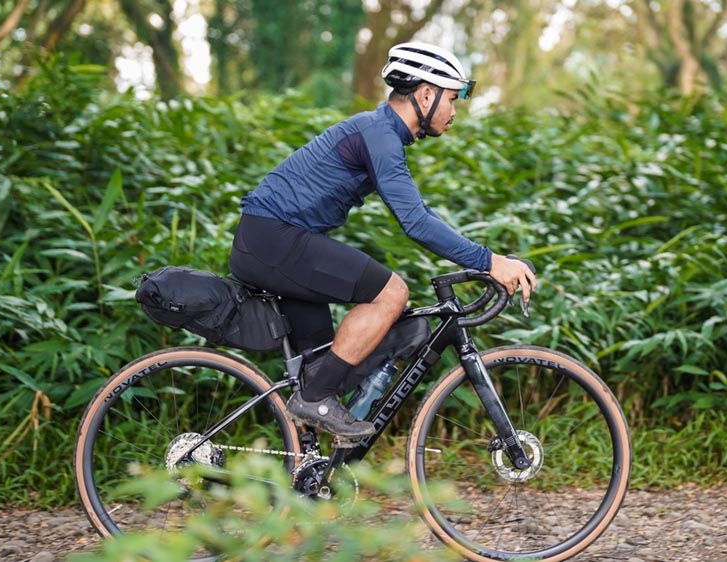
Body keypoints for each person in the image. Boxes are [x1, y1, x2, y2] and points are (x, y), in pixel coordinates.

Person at [229, 41, 537, 439]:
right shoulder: (379, 135)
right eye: (453, 97)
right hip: (272, 239)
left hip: (274, 241)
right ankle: (314, 400)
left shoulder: (379, 133)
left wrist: (485, 257)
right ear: (426, 93)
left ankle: (307, 479)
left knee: (323, 371)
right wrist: (489, 261)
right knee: (391, 293)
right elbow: (415, 222)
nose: (455, 110)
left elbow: (419, 215)